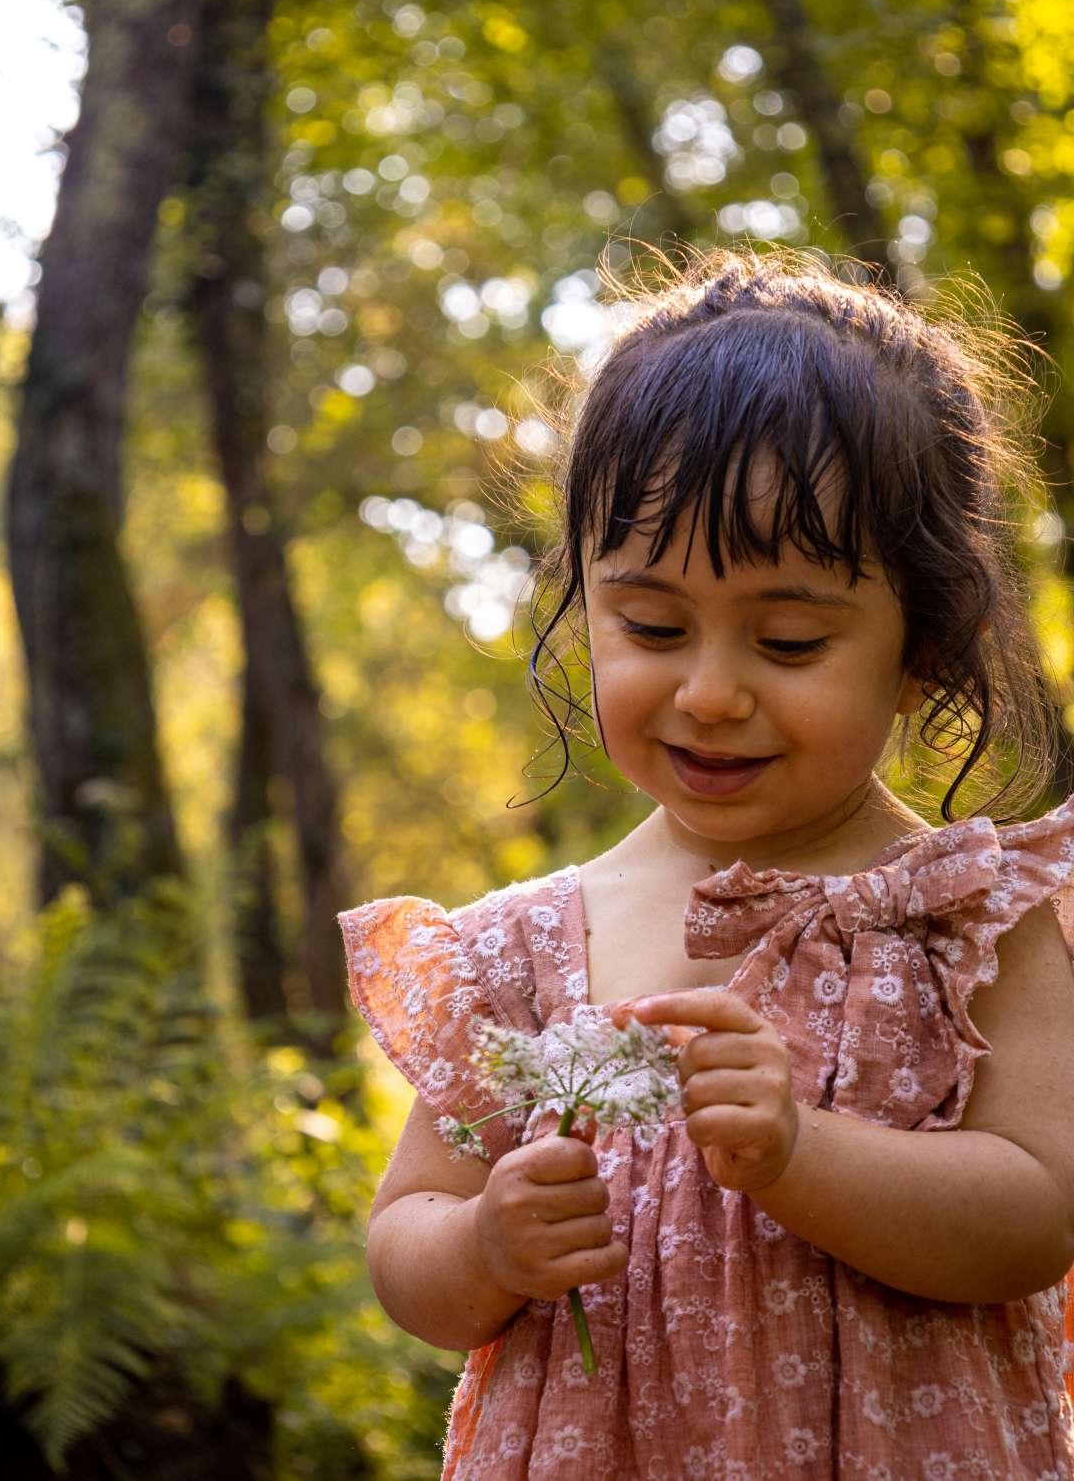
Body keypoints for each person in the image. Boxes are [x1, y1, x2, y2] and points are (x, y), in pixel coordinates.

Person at [338, 246, 1074, 1478]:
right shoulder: (519, 950)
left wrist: (801, 1153)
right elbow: (407, 1236)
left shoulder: (975, 916)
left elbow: (1035, 1216)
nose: (710, 690)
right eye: (653, 625)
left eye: (789, 639)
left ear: (925, 650)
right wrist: (486, 1246)